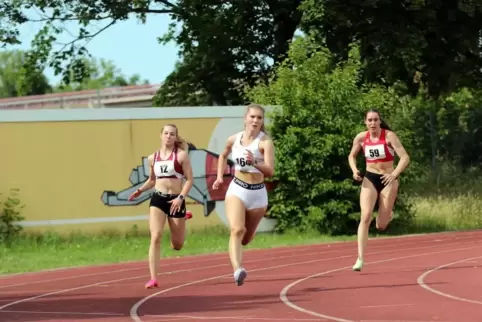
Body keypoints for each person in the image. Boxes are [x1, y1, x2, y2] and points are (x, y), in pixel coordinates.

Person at [212, 104, 275, 286]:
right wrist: (218, 177)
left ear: (262, 121)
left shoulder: (265, 143)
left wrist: (254, 161)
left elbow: (270, 170)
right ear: (245, 118)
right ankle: (238, 270)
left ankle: (247, 237)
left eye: (259, 118)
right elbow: (223, 156)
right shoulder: (233, 139)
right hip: (237, 189)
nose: (255, 121)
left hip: (257, 194)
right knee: (237, 230)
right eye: (252, 117)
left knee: (246, 238)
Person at [128, 124, 194, 289]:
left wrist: (180, 198)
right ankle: (153, 278)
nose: (168, 136)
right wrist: (139, 190)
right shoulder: (153, 158)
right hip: (158, 198)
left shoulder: (181, 156)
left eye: (172, 134)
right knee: (155, 236)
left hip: (175, 200)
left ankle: (183, 218)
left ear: (175, 137)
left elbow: (190, 180)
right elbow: (152, 180)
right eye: (166, 133)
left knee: (177, 245)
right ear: (161, 135)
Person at [348, 108, 410, 272]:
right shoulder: (361, 138)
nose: (373, 123)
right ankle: (360, 258)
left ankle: (388, 213)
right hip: (370, 178)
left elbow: (405, 157)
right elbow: (351, 156)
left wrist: (394, 174)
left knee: (381, 226)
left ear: (380, 121)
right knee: (365, 216)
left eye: (376, 120)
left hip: (388, 179)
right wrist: (355, 171)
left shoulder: (389, 136)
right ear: (365, 122)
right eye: (370, 120)